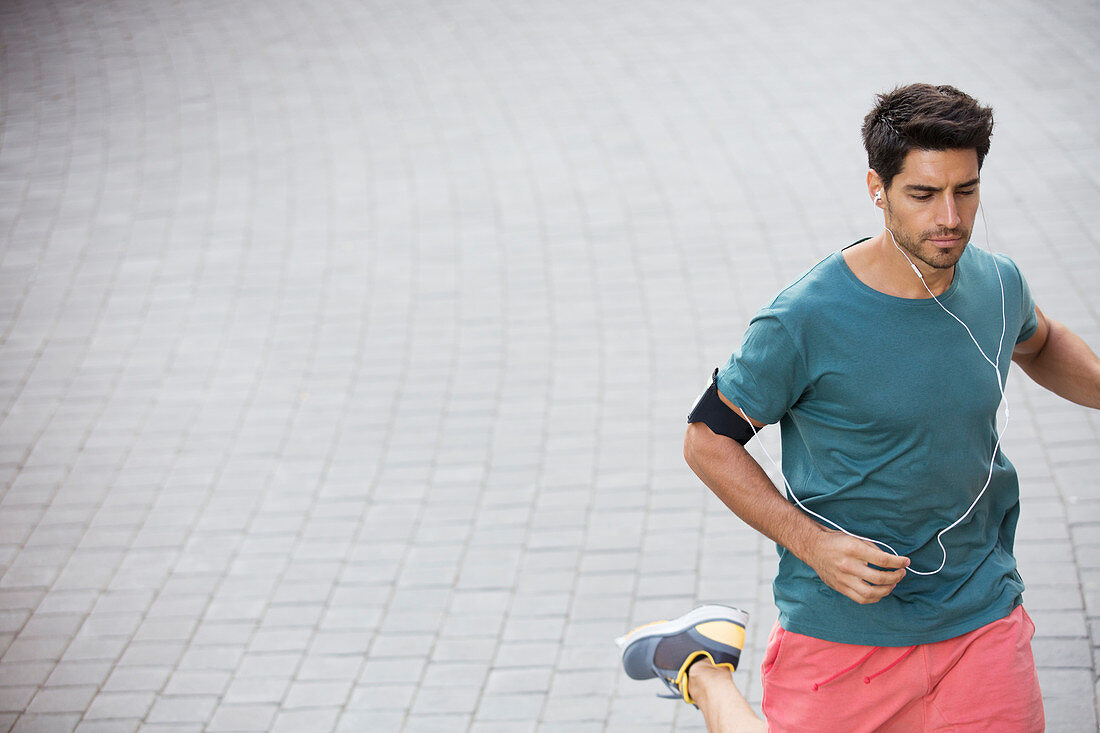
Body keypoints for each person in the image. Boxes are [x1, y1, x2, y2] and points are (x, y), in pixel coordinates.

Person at [618, 83, 1100, 732]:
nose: (950, 218)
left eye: (967, 190)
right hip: (844, 625)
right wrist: (809, 541)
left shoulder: (997, 282)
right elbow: (707, 438)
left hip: (981, 613)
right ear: (877, 187)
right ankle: (703, 668)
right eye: (923, 194)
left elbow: (1040, 342)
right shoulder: (805, 318)